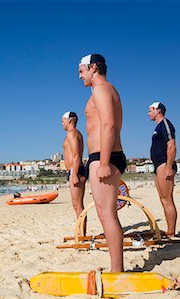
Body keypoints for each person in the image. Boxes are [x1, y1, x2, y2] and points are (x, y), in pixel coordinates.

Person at [79, 54, 127, 272]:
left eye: (81, 70)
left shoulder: (101, 89)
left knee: (107, 215)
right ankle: (117, 268)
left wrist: (105, 162)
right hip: (103, 156)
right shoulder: (108, 90)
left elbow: (108, 125)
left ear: (93, 68)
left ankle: (117, 271)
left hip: (104, 156)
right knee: (106, 213)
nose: (79, 75)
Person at [148, 101, 178, 237]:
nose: (148, 113)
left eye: (150, 110)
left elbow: (171, 146)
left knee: (167, 199)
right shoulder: (158, 127)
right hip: (158, 165)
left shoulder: (165, 124)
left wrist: (168, 167)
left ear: (157, 110)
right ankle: (169, 230)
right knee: (163, 199)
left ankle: (171, 231)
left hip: (164, 164)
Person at [62, 111, 87, 235]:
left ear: (69, 121)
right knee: (76, 204)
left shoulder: (72, 134)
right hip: (74, 170)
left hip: (76, 171)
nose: (62, 123)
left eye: (63, 120)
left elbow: (76, 155)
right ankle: (81, 232)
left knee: (78, 205)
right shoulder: (74, 134)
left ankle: (82, 234)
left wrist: (74, 174)